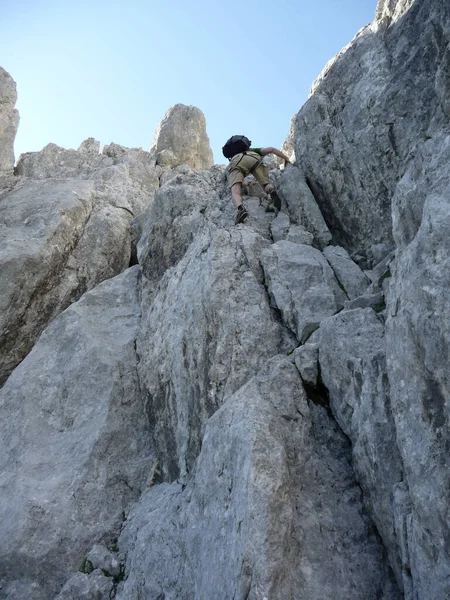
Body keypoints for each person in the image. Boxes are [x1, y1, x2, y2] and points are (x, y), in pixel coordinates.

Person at [226, 145, 291, 224]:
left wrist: (247, 183)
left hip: (237, 163)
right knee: (265, 184)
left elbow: (241, 183)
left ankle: (241, 209)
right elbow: (271, 149)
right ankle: (271, 190)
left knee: (235, 192)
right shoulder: (251, 150)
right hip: (253, 157)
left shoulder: (233, 159)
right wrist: (286, 158)